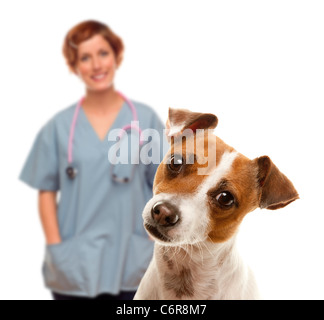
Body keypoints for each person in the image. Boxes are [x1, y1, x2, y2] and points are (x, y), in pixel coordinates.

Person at [19, 20, 167, 300]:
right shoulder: (59, 127)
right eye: (85, 58)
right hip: (75, 264)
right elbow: (46, 191)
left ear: (116, 56)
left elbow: (164, 183)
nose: (96, 65)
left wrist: (151, 240)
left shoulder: (145, 120)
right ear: (74, 67)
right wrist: (55, 246)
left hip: (133, 260)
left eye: (103, 53)